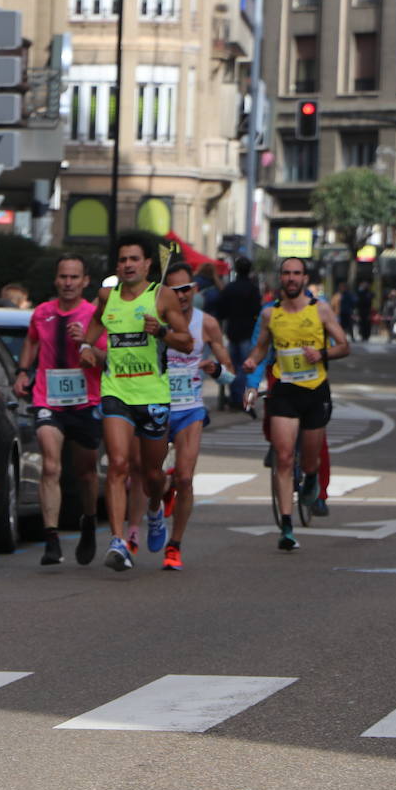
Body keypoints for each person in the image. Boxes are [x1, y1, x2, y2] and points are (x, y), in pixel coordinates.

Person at [77, 237, 193, 571]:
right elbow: (98, 320)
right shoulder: (106, 295)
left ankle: (155, 510)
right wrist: (87, 344)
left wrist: (162, 332)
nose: (127, 264)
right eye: (122, 259)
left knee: (153, 474)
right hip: (116, 391)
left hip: (153, 395)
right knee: (117, 464)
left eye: (134, 259)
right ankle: (118, 541)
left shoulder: (162, 296)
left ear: (146, 265)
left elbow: (187, 343)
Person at [243, 257, 349, 551]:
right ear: (281, 278)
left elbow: (344, 345)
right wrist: (252, 363)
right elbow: (262, 347)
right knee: (285, 457)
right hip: (284, 391)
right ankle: (286, 527)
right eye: (286, 273)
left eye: (296, 274)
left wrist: (322, 354)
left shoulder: (321, 309)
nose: (291, 278)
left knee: (311, 460)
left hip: (315, 391)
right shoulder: (270, 314)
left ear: (304, 278)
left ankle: (312, 480)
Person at [14, 254, 104, 566]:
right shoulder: (42, 312)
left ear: (85, 281)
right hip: (47, 399)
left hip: (85, 401)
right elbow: (31, 341)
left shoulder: (95, 315)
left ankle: (89, 522)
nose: (68, 283)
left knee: (86, 473)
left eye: (74, 278)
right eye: (63, 277)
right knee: (51, 466)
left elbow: (107, 359)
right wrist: (23, 371)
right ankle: (51, 540)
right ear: (56, 280)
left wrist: (88, 345)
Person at [158, 263, 234, 571]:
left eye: (186, 289)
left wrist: (215, 369)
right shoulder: (155, 322)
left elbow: (229, 372)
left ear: (195, 289)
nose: (182, 296)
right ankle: (161, 497)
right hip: (157, 407)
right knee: (155, 480)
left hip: (190, 409)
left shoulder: (208, 324)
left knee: (186, 478)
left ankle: (174, 545)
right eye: (174, 291)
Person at [217, 257, 262, 409]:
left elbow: (222, 310)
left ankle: (235, 397)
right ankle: (243, 399)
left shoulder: (230, 288)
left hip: (232, 331)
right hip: (247, 332)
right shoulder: (252, 289)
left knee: (233, 366)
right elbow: (258, 311)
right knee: (246, 367)